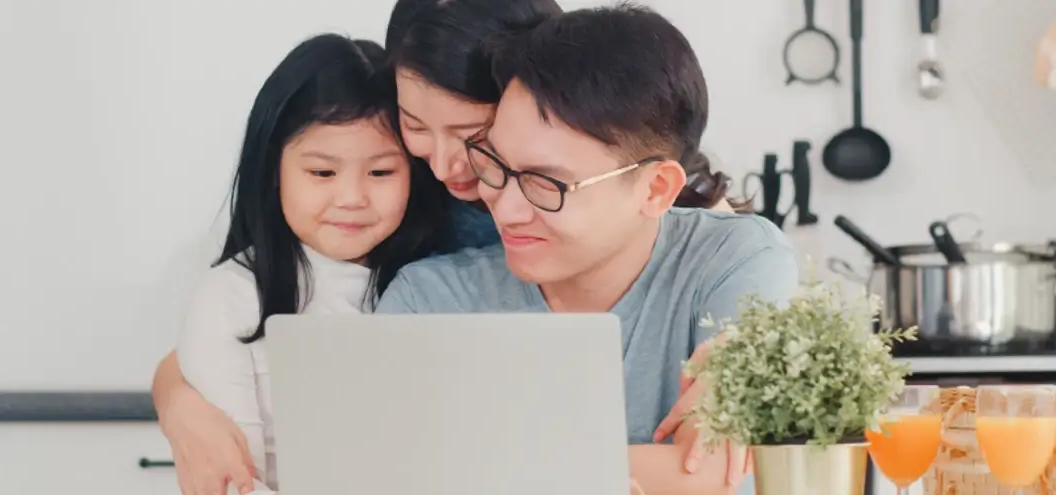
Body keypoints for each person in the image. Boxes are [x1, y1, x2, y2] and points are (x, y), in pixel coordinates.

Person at [153, 0, 756, 492]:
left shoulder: (671, 217)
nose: (444, 164)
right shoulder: (405, 210)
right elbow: (228, 337)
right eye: (415, 126)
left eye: (475, 136)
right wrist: (182, 405)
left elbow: (731, 264)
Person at [374, 4, 799, 495]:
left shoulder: (735, 259)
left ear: (656, 190)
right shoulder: (428, 298)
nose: (506, 209)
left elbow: (720, 473)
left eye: (544, 183)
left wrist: (481, 466)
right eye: (494, 163)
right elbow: (385, 473)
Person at [170, 33, 452, 494]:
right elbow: (236, 480)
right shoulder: (232, 297)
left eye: (381, 172)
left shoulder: (439, 282)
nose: (352, 198)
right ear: (272, 171)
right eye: (322, 172)